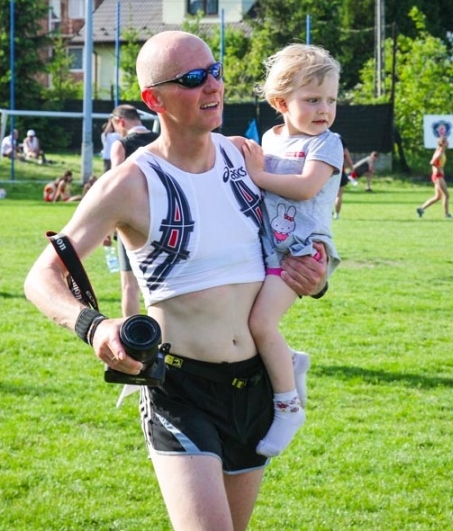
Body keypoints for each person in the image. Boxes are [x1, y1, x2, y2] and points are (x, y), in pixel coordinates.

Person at [24, 30, 327, 531]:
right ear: (154, 100)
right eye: (192, 79)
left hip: (254, 387)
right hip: (180, 389)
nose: (213, 86)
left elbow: (293, 242)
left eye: (215, 72)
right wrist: (94, 327)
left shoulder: (245, 158)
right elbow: (41, 276)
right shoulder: (130, 183)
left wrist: (313, 280)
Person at [241, 43, 343, 457]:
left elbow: (305, 187)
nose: (324, 110)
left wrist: (258, 174)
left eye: (331, 100)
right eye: (312, 100)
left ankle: (288, 408)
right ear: (281, 103)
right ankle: (291, 361)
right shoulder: (271, 138)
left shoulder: (326, 144)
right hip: (269, 247)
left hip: (303, 252)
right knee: (250, 322)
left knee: (261, 323)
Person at [109, 104, 159, 317]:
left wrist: (108, 225)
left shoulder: (121, 145)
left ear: (120, 121)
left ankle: (133, 334)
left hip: (130, 220)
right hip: (165, 216)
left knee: (129, 285)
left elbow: (115, 187)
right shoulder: (160, 140)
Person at [416, 137, 452, 219]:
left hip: (438, 175)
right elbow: (432, 162)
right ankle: (447, 215)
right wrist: (438, 169)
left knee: (438, 196)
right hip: (438, 176)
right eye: (446, 141)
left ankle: (421, 209)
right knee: (446, 195)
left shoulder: (441, 151)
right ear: (443, 143)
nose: (448, 143)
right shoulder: (439, 152)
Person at [333, 138, 355, 220]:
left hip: (327, 173)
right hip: (340, 173)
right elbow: (349, 161)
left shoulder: (327, 147)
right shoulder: (342, 149)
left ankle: (328, 212)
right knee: (339, 195)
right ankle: (337, 214)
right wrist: (352, 170)